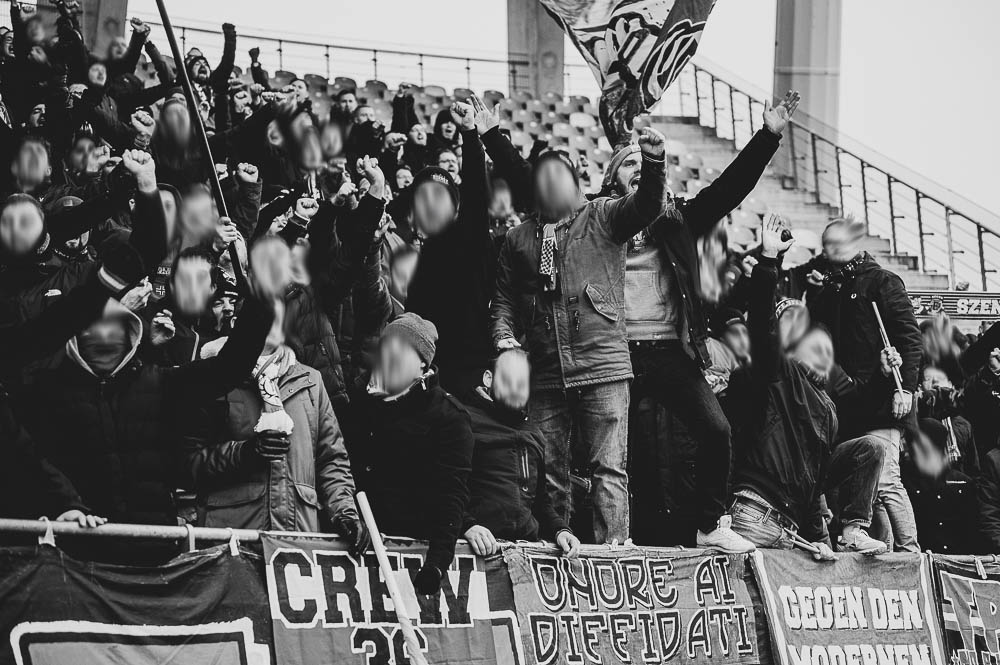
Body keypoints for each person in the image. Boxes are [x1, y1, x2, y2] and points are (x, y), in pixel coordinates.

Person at [602, 92, 799, 550]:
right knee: (613, 449)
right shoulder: (599, 222)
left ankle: (710, 525)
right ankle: (612, 536)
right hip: (614, 350)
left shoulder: (679, 219)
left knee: (716, 429)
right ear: (613, 181)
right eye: (629, 164)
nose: (639, 168)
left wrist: (768, 134)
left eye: (644, 162)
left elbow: (731, 188)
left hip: (669, 350)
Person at [481, 92, 667, 543]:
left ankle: (612, 558)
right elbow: (504, 298)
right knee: (551, 472)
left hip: (602, 364)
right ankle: (555, 555)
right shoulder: (518, 238)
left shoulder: (603, 215)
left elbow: (646, 206)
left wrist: (655, 162)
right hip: (545, 370)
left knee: (609, 470)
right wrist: (504, 336)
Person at [184, 237, 368, 552]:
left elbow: (332, 460)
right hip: (232, 543)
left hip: (297, 543)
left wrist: (345, 513)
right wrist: (246, 454)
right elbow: (191, 461)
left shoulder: (310, 382)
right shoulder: (213, 376)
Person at [728, 214, 886, 556]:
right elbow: (761, 326)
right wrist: (769, 261)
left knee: (872, 447)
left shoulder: (827, 407)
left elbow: (813, 484)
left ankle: (854, 529)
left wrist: (821, 541)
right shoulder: (777, 373)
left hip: (791, 524)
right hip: (754, 514)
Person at [806, 215, 923, 551]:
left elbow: (909, 338)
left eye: (835, 243)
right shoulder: (833, 288)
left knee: (885, 480)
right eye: (826, 244)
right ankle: (887, 554)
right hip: (850, 402)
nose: (827, 250)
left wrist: (907, 388)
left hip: (884, 399)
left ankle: (910, 551)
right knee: (865, 482)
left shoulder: (882, 281)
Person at [345, 313, 474, 596]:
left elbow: (451, 494)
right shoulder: (360, 404)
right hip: (360, 550)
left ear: (422, 365)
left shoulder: (448, 417)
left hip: (411, 549)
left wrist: (436, 564)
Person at [404, 100, 494, 397]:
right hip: (429, 376)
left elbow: (476, 192)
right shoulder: (417, 253)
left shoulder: (469, 234)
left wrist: (469, 134)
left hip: (471, 372)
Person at [461, 349, 580, 558]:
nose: (516, 387)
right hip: (473, 550)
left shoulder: (533, 432)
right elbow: (443, 487)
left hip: (524, 552)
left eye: (522, 382)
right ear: (488, 378)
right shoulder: (463, 421)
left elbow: (540, 501)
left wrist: (561, 530)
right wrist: (466, 526)